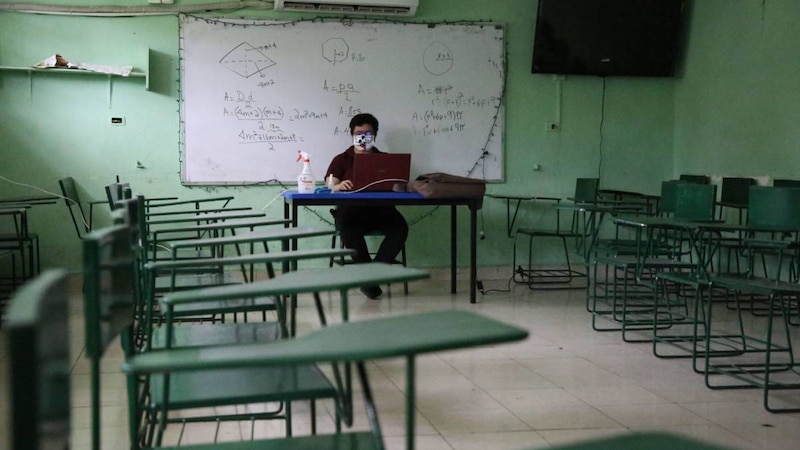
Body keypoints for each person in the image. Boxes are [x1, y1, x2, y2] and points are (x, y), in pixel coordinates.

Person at [325, 113, 409, 300]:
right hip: (351, 211)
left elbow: (399, 184)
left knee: (400, 229)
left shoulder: (386, 159)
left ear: (375, 135)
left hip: (382, 211)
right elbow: (329, 183)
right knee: (347, 229)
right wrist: (337, 186)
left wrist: (398, 184)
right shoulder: (342, 159)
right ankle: (371, 279)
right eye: (358, 132)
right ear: (351, 134)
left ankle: (370, 278)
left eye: (368, 133)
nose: (363, 137)